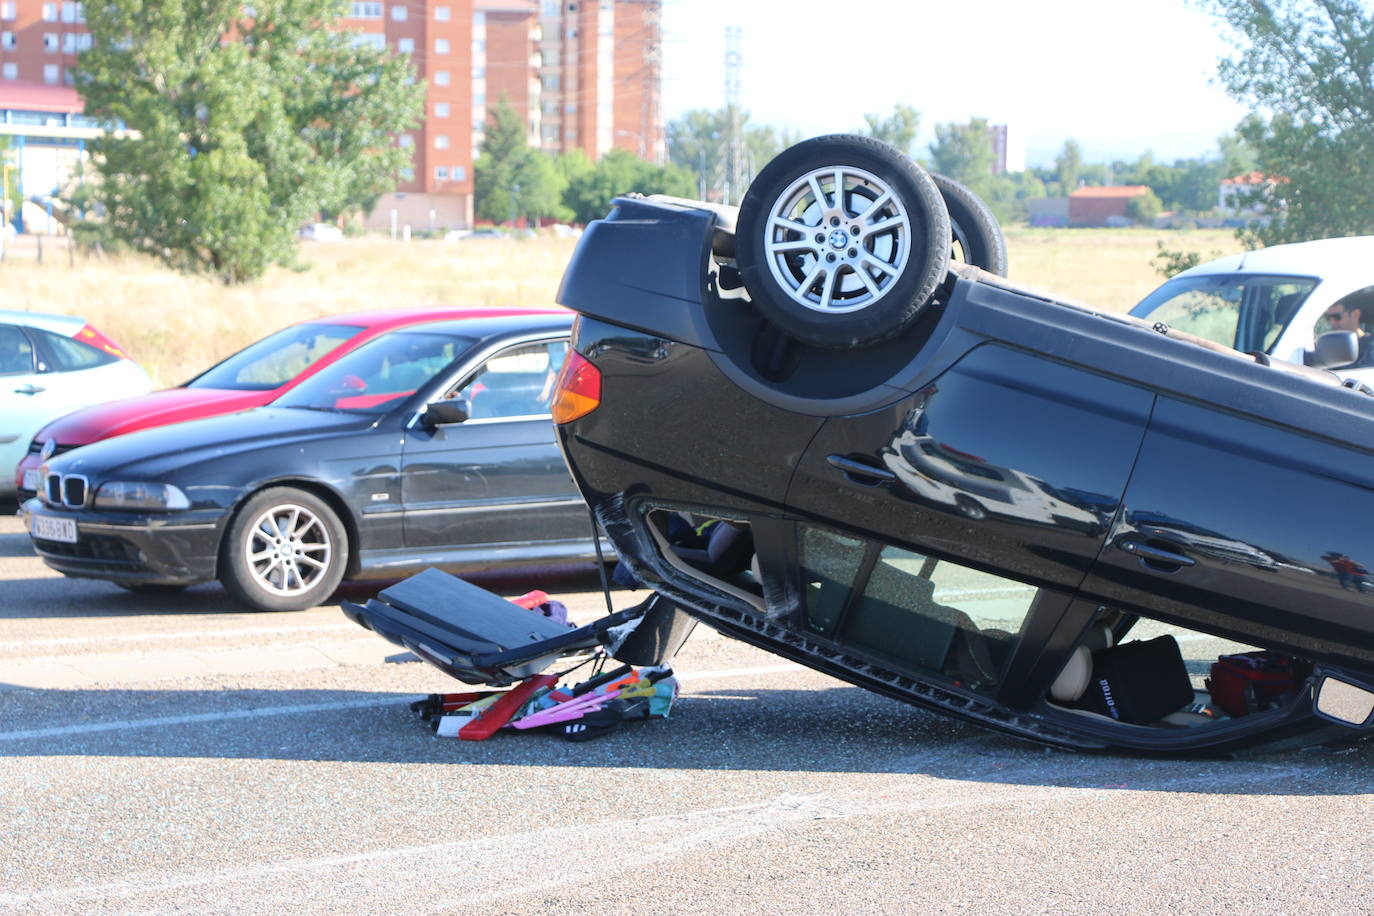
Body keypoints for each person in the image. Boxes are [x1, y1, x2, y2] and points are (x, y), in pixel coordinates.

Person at [1322, 299, 1374, 367]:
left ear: (1355, 314)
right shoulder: (1329, 346)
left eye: (1337, 317)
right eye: (1328, 318)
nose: (1332, 323)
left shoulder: (1371, 347)